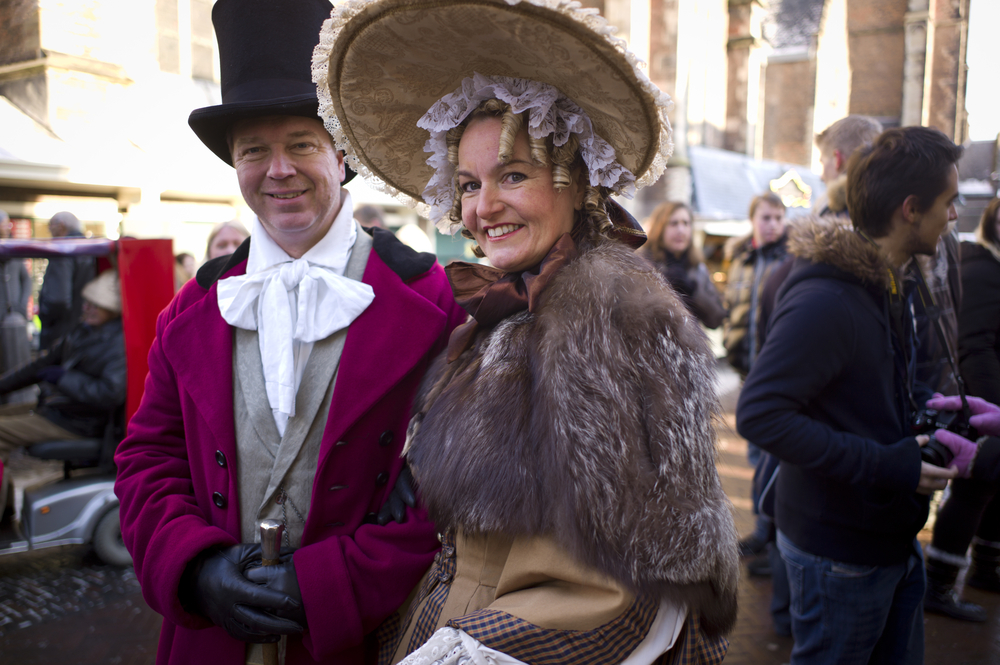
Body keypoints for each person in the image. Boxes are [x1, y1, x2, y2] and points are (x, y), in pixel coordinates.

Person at [314, 1, 740, 663]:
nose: (483, 208)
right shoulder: (500, 315)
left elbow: (629, 581)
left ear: (576, 185)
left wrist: (466, 650)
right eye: (468, 184)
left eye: (512, 175)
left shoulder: (606, 313)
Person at [113, 2, 464, 664]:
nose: (278, 170)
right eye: (254, 150)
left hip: (359, 640)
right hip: (210, 641)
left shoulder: (431, 301)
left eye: (300, 144)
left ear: (341, 155)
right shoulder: (191, 306)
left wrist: (328, 587)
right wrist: (195, 567)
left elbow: (445, 487)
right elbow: (145, 460)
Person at [736, 126, 975, 664]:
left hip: (885, 538)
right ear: (911, 209)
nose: (955, 214)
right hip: (839, 552)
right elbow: (760, 415)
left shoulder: (887, 282)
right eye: (949, 201)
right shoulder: (828, 300)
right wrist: (890, 466)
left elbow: (862, 399)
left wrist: (940, 417)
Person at [923, 197, 1000, 622]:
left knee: (992, 486)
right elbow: (976, 345)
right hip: (984, 405)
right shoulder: (986, 271)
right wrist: (992, 411)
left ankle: (986, 567)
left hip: (986, 404)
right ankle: (939, 584)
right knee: (974, 488)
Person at [723, 192, 788, 562]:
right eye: (766, 217)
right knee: (756, 454)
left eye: (779, 218)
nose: (773, 224)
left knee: (770, 457)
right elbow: (735, 309)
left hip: (774, 374)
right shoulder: (741, 260)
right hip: (747, 370)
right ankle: (766, 530)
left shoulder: (790, 260)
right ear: (753, 220)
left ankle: (769, 535)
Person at [0, 268, 125, 457]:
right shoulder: (83, 331)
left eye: (95, 305)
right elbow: (41, 365)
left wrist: (64, 378)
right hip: (60, 410)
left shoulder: (117, 343)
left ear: (112, 310)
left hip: (79, 421)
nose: (87, 308)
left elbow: (110, 393)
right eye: (86, 303)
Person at [642, 202, 725, 328]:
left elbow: (716, 319)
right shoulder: (643, 263)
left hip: (689, 345)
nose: (681, 230)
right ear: (660, 227)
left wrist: (694, 292)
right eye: (674, 223)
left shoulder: (697, 268)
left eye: (686, 223)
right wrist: (663, 286)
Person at [38, 211, 96, 351]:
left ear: (61, 226)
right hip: (84, 329)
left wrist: (45, 316)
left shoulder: (63, 250)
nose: (49, 230)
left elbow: (58, 299)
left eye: (50, 226)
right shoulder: (91, 249)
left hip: (61, 332)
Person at [0, 211, 33, 400]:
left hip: (14, 318)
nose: (6, 227)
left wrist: (20, 307)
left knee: (17, 362)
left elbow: (26, 280)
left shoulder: (15, 250)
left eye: (7, 224)